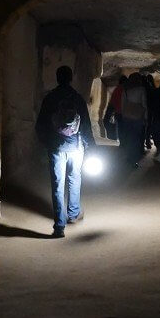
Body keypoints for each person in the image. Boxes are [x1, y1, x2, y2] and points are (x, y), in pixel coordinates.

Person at [35, 66, 96, 238]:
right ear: (71, 78)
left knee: (57, 184)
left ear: (57, 78)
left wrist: (47, 143)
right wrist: (90, 145)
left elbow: (40, 125)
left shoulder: (50, 98)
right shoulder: (77, 98)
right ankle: (73, 213)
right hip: (76, 147)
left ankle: (59, 226)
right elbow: (85, 126)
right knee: (74, 178)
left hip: (56, 147)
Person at [119, 72, 147, 166]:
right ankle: (134, 159)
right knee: (136, 138)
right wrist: (146, 117)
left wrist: (124, 115)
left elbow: (122, 105)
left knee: (129, 137)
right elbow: (144, 104)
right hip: (138, 117)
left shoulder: (125, 89)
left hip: (127, 117)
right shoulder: (141, 89)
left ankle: (128, 157)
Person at [103, 74, 126, 142]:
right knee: (123, 128)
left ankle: (119, 139)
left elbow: (112, 101)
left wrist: (109, 113)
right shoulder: (126, 89)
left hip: (118, 112)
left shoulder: (117, 89)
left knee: (119, 126)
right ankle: (123, 141)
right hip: (125, 112)